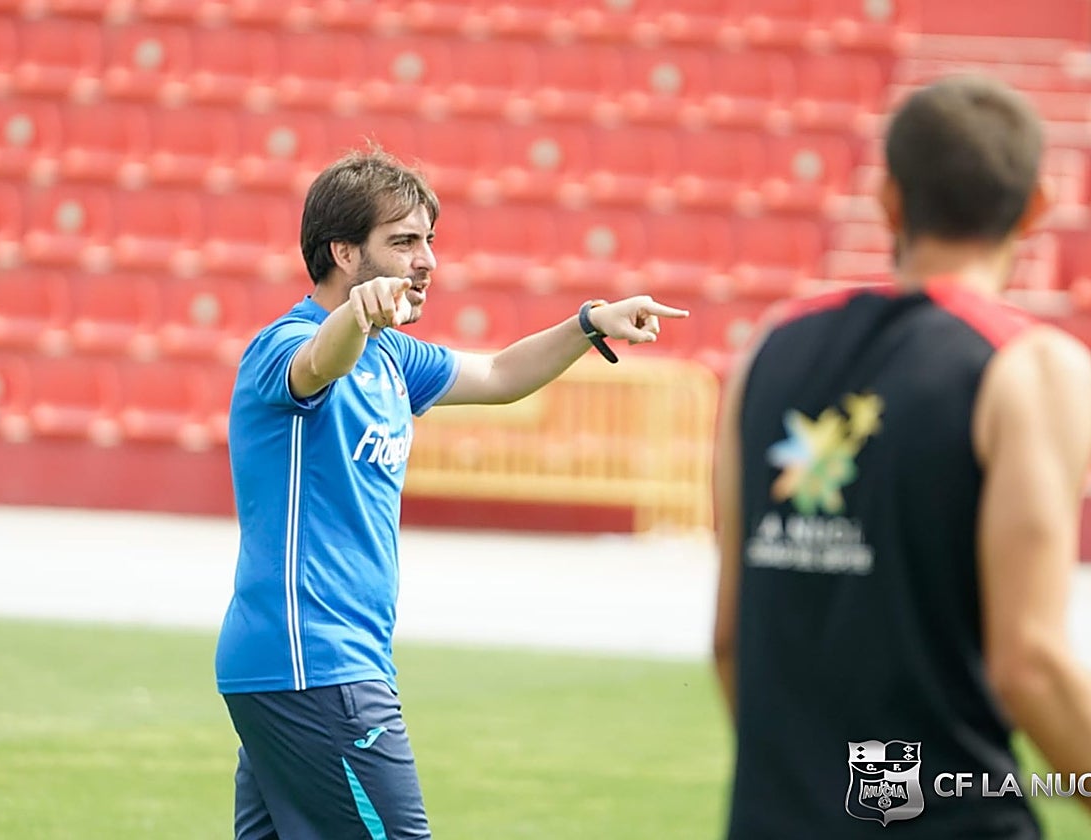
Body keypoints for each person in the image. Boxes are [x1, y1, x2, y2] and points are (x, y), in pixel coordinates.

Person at [215, 148, 688, 839]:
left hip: (310, 669)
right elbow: (319, 363)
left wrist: (588, 324)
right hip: (313, 663)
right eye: (404, 242)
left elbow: (498, 373)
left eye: (428, 240)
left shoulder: (392, 357)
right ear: (344, 253)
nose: (427, 259)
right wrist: (355, 316)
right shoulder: (284, 345)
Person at [712, 75, 1091, 838]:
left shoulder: (770, 352)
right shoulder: (1029, 367)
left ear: (889, 201)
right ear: (1035, 209)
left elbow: (730, 642)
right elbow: (1031, 666)